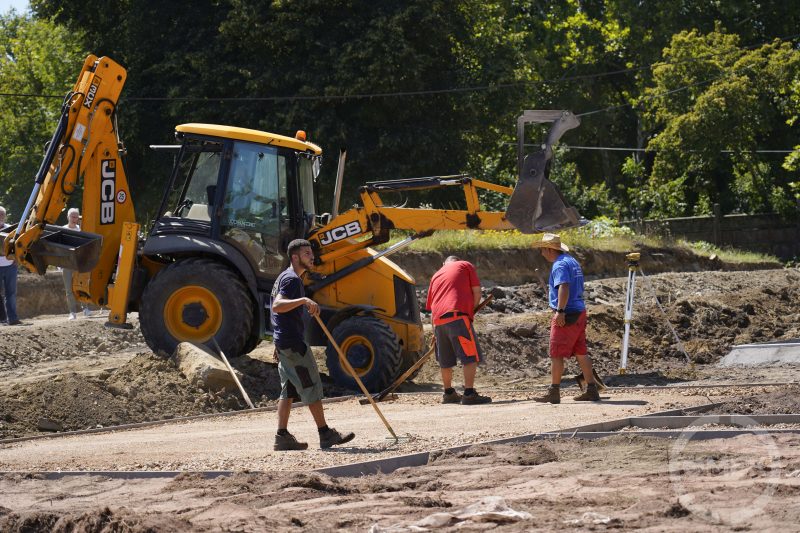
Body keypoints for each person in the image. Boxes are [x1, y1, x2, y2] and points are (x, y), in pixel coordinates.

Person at [270, 238, 355, 451]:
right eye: (307, 253)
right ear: (295, 257)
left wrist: (276, 343)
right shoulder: (292, 280)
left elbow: (278, 315)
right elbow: (277, 306)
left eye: (311, 253)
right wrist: (304, 301)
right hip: (293, 345)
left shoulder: (283, 277)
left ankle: (282, 436)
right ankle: (325, 433)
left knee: (288, 391)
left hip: (284, 344)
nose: (312, 256)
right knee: (311, 386)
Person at [532, 233, 600, 403]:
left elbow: (564, 286)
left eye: (542, 249)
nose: (541, 253)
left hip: (568, 314)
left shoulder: (559, 265)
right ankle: (591, 388)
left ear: (549, 249)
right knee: (581, 352)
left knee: (556, 354)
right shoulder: (571, 261)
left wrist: (560, 310)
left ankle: (554, 391)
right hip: (579, 311)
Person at [426, 256, 492, 405]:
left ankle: (448, 393)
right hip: (457, 315)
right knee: (470, 356)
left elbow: (432, 307)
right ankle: (469, 394)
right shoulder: (465, 265)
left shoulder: (436, 275)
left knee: (445, 360)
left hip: (438, 322)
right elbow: (477, 293)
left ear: (444, 264)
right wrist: (471, 312)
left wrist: (434, 332)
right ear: (456, 260)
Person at [62, 208, 91, 319]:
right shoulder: (63, 230)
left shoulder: (82, 230)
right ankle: (72, 312)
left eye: (76, 217)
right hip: (67, 263)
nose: (74, 219)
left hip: (80, 263)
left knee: (82, 286)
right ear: (68, 217)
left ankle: (86, 309)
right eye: (72, 216)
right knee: (69, 289)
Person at [0, 206, 21, 326]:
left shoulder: (11, 230)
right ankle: (2, 319)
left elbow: (18, 247)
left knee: (11, 293)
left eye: (2, 214)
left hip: (10, 265)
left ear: (5, 216)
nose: (0, 217)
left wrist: (17, 260)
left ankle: (12, 319)